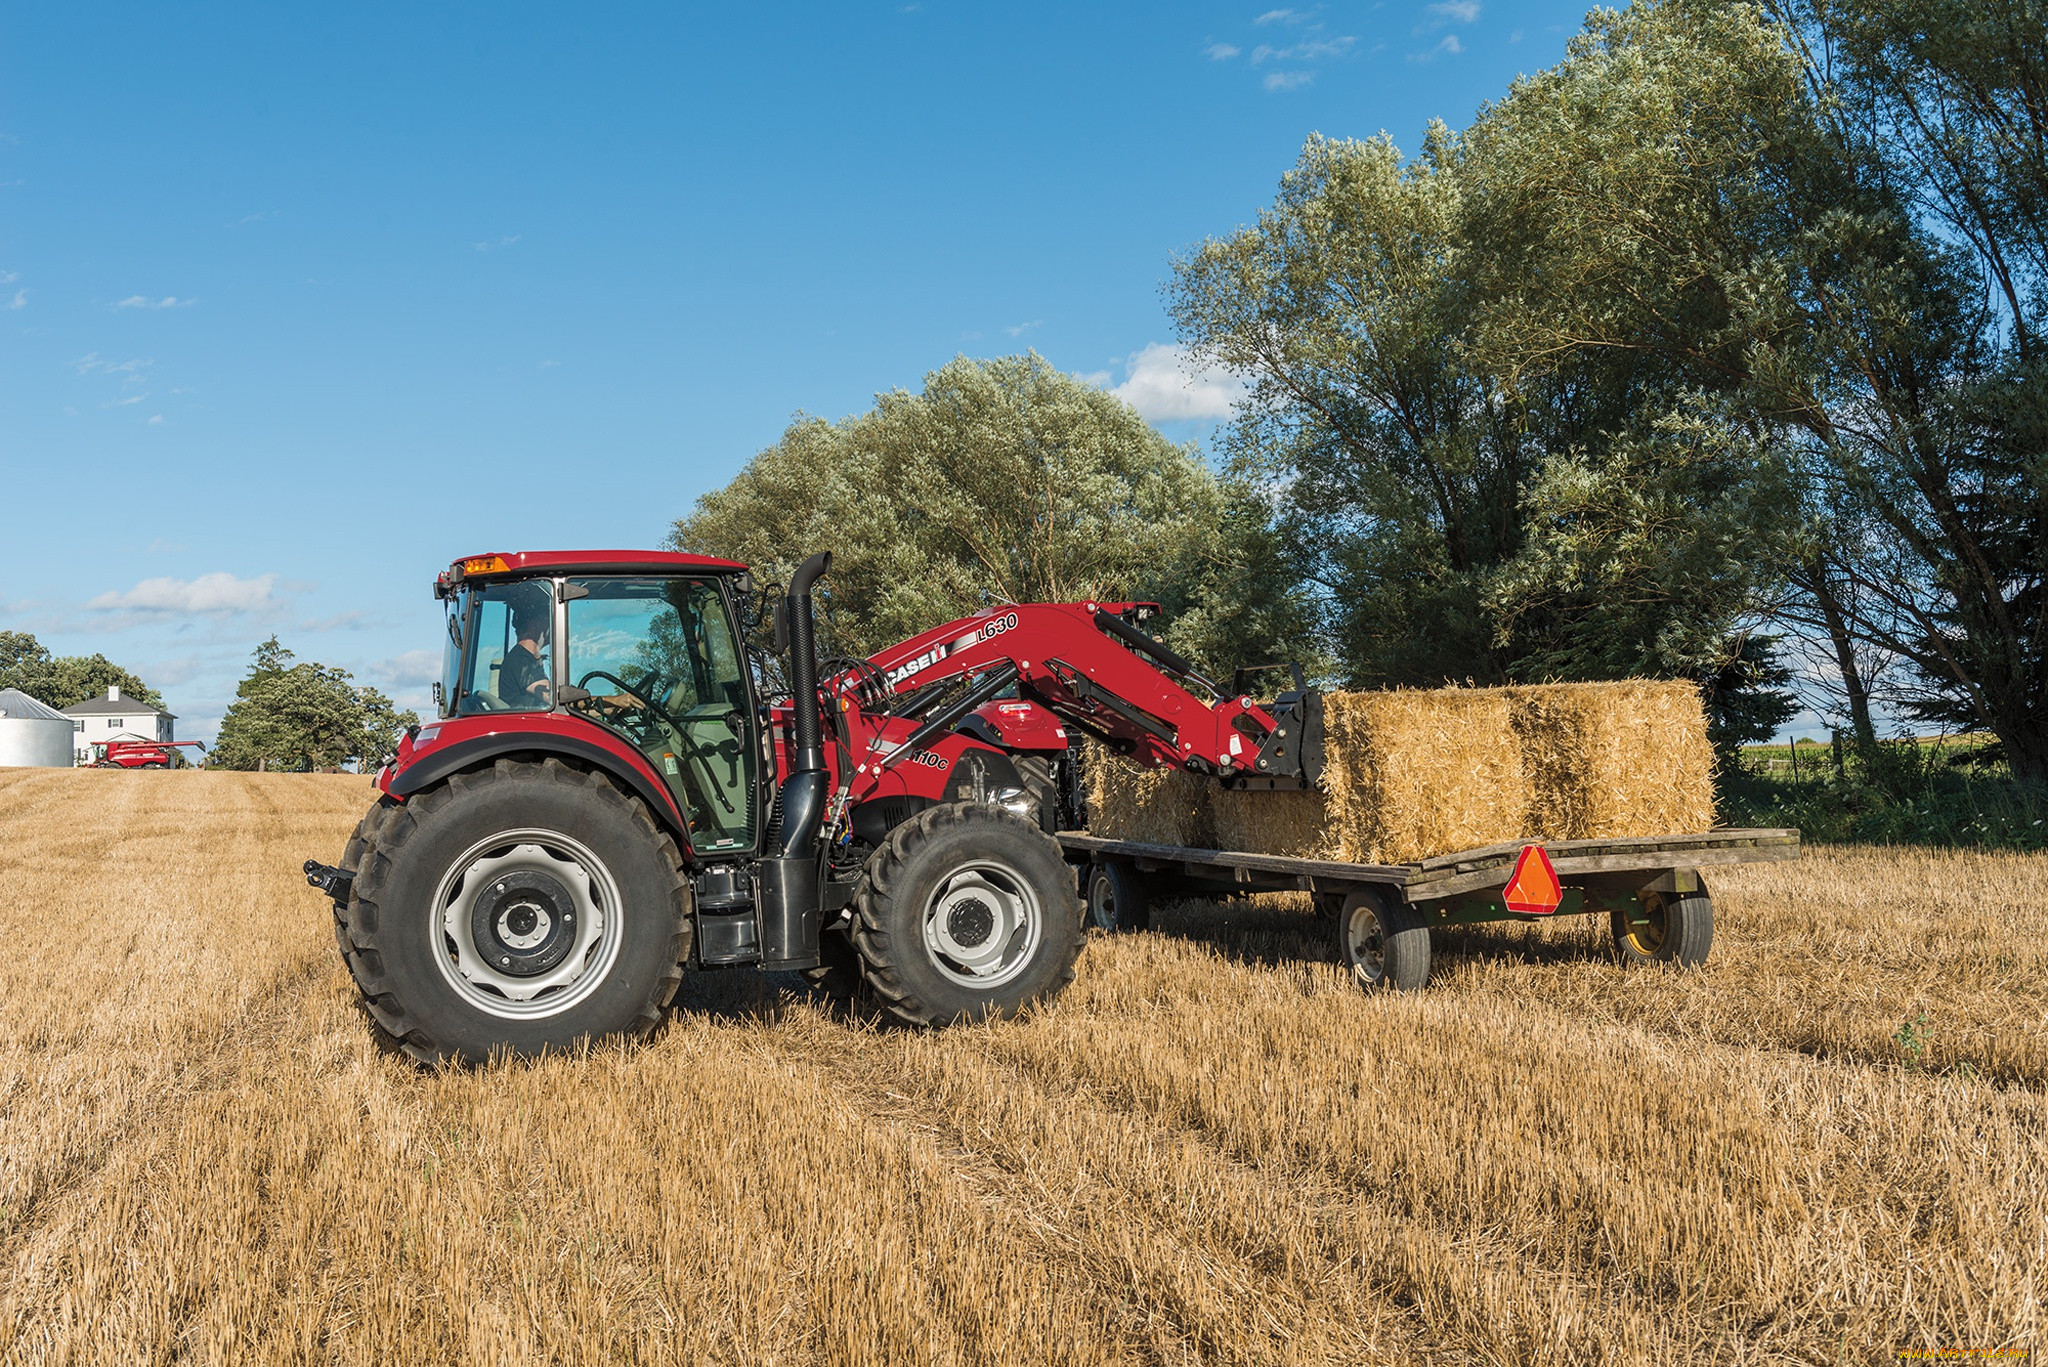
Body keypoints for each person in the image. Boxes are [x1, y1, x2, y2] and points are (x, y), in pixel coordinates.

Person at [497, 588, 552, 707]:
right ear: (533, 624)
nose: (551, 626)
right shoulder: (521, 661)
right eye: (547, 620)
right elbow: (553, 697)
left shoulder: (525, 658)